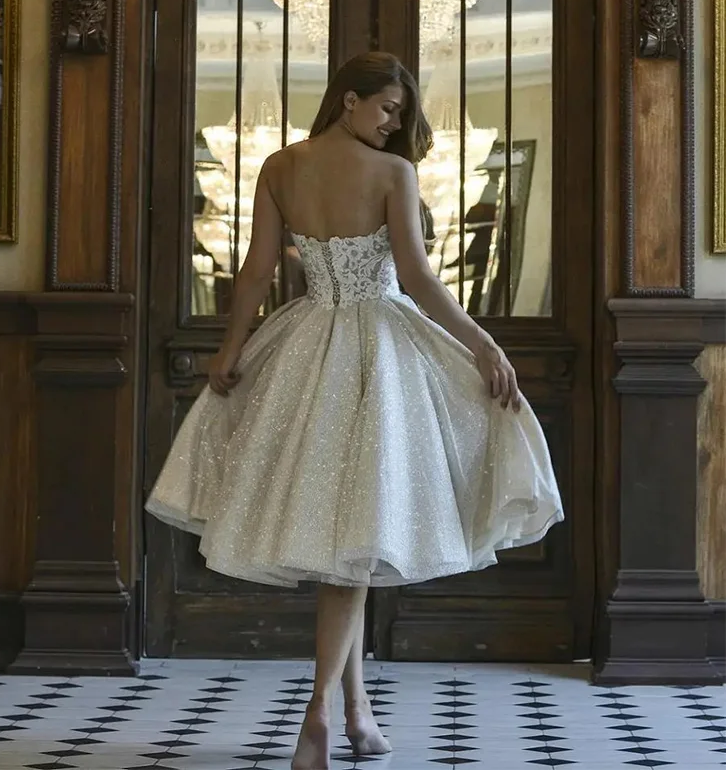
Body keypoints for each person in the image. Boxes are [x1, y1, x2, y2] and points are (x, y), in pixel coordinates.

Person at [146, 51, 564, 770]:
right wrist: (482, 342)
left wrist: (230, 347)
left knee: (352, 541)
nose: (394, 123)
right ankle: (318, 715)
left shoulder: (281, 167)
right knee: (354, 541)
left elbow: (255, 273)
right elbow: (418, 279)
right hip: (376, 351)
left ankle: (357, 713)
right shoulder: (392, 176)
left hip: (305, 344)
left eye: (399, 114)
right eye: (387, 109)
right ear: (348, 99)